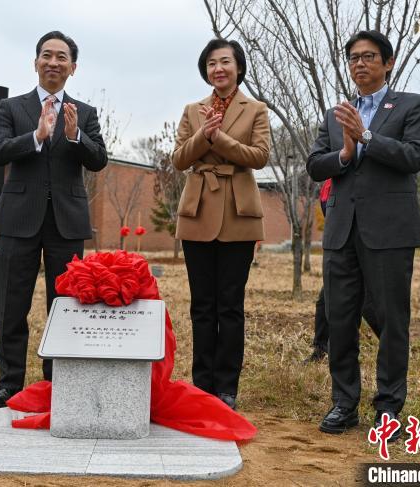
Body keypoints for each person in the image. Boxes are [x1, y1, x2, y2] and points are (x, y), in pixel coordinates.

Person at [307, 30, 420, 441]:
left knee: (392, 320)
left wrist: (367, 137)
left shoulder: (411, 105)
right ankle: (344, 403)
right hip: (342, 230)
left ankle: (390, 408)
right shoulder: (335, 113)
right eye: (354, 57)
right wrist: (343, 154)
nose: (360, 63)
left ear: (388, 62)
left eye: (370, 56)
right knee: (340, 318)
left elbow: (413, 156)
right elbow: (315, 164)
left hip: (390, 231)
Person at [0, 31, 108, 409]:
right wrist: (36, 136)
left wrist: (74, 137)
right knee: (12, 305)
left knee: (65, 306)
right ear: (36, 61)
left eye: (61, 57)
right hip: (18, 220)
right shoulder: (11, 108)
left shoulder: (84, 113)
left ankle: (58, 383)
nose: (53, 62)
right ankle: (9, 385)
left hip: (66, 223)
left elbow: (99, 160)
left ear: (73, 67)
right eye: (46, 55)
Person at [172, 38, 270, 411]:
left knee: (230, 304)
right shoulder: (192, 109)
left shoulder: (256, 109)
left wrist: (220, 138)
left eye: (225, 62)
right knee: (202, 304)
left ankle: (227, 386)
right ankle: (202, 384)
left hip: (238, 213)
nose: (218, 69)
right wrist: (202, 135)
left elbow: (259, 156)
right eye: (211, 63)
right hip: (197, 213)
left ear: (238, 68)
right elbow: (180, 158)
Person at [304, 179, 381, 364]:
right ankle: (320, 350)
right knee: (324, 303)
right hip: (341, 251)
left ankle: (392, 344)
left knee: (369, 305)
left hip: (363, 247)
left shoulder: (354, 178)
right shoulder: (328, 185)